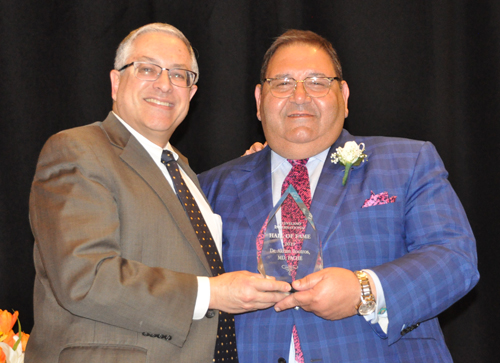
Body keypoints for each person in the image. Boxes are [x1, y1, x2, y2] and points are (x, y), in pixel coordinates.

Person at [199, 30, 479, 363]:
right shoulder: (211, 186)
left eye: (317, 81)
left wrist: (364, 291)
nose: (299, 95)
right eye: (283, 83)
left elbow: (455, 260)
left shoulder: (407, 161)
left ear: (344, 96)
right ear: (259, 101)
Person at [26, 23, 290, 363]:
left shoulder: (183, 171)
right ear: (116, 81)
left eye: (179, 75)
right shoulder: (77, 150)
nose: (165, 85)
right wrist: (211, 293)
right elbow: (85, 279)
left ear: (191, 93)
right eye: (147, 69)